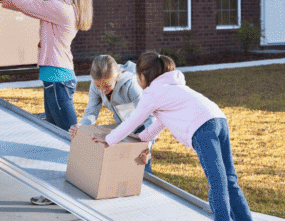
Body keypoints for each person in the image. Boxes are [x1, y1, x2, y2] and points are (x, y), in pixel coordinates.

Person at [93, 51, 253, 221]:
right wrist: (143, 137)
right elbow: (162, 121)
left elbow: (133, 120)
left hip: (203, 128)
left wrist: (110, 138)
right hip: (219, 119)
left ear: (142, 77)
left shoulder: (152, 93)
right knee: (229, 179)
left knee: (217, 183)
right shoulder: (173, 88)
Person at [0, 0, 92, 207]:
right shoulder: (64, 6)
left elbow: (25, 2)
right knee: (56, 138)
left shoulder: (62, 8)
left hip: (57, 80)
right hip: (56, 79)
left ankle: (80, 194)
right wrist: (2, 0)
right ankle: (56, 193)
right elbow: (27, 7)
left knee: (69, 140)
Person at [68, 55, 157, 174]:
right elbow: (91, 112)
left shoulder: (131, 85)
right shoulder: (96, 86)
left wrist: (148, 143)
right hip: (122, 127)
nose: (103, 90)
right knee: (123, 166)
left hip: (142, 128)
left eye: (107, 86)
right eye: (99, 86)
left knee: (141, 168)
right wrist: (81, 126)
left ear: (117, 77)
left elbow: (149, 116)